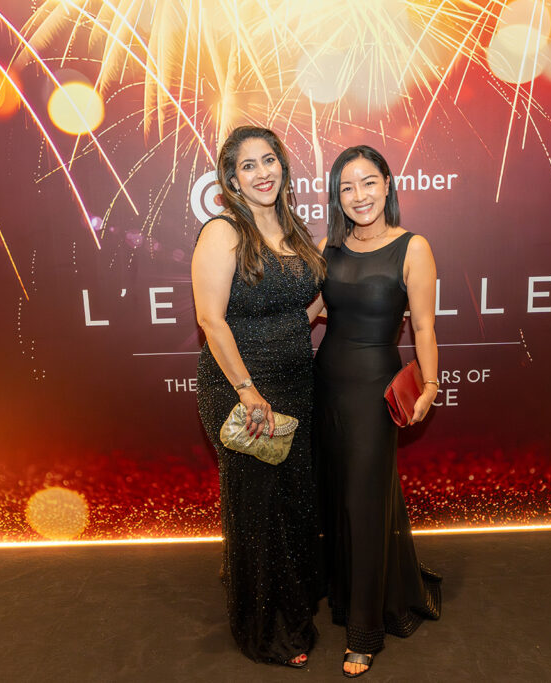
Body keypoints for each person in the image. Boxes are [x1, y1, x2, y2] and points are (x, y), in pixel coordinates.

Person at [191, 126, 326, 667]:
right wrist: (248, 391)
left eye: (269, 160)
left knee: (293, 500)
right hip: (240, 387)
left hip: (296, 384)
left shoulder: (293, 229)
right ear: (231, 180)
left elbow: (297, 309)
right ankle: (266, 628)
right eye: (248, 166)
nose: (262, 172)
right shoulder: (223, 232)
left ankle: (294, 602)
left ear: (282, 167)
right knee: (259, 507)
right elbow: (211, 319)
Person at [314, 145, 442, 677]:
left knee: (365, 504)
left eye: (368, 182)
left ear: (387, 184)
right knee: (336, 498)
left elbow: (424, 326)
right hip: (326, 384)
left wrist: (430, 383)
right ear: (336, 196)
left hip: (374, 391)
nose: (359, 195)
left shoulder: (413, 247)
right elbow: (313, 310)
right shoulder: (328, 247)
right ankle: (346, 595)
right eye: (347, 187)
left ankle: (364, 632)